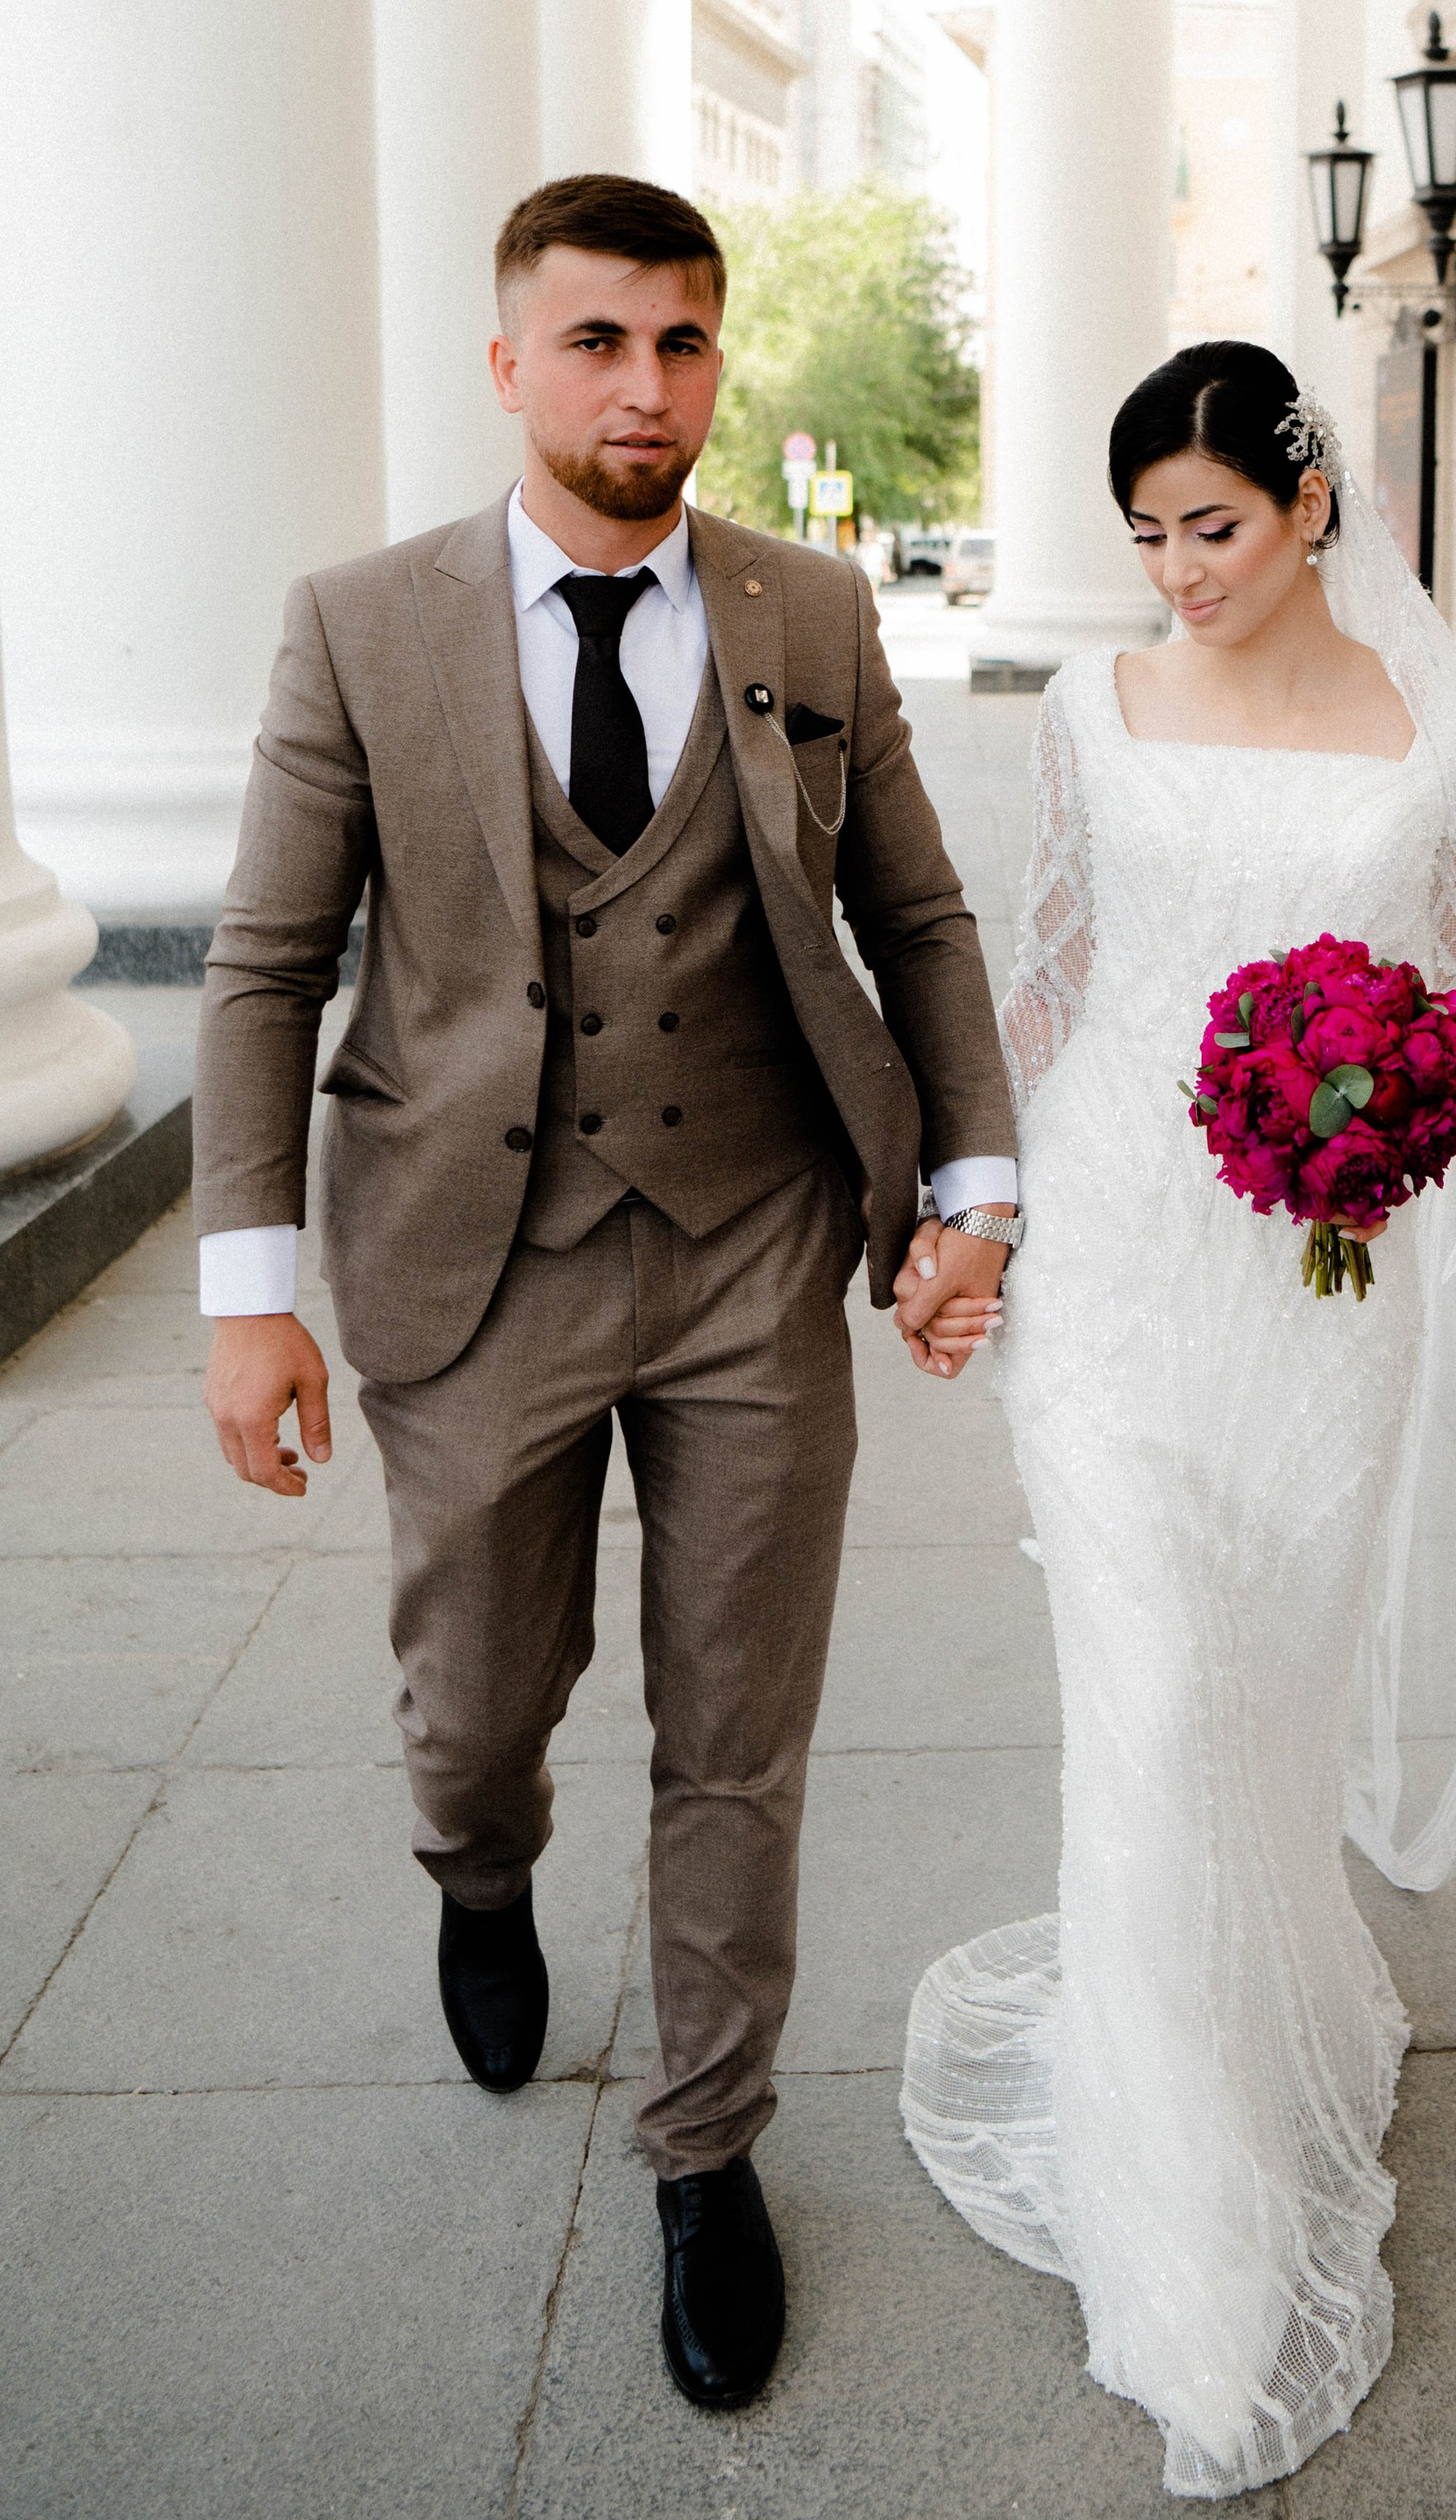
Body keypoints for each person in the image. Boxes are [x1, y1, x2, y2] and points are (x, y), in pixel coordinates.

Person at [193, 174, 1019, 2414]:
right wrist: (244, 1285)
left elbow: (923, 923)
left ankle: (705, 2147)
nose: (640, 385)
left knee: (734, 1737)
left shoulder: (809, 610)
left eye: (678, 341)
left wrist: (975, 1183)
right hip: (472, 1260)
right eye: (593, 341)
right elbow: (268, 962)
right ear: (507, 364)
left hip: (756, 1241)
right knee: (477, 1699)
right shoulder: (361, 624)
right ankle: (479, 1871)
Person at [900, 342, 1456, 2496]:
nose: (1174, 572)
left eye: (1208, 526)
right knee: (1142, 1704)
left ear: (1310, 504)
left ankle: (1273, 2006)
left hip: (1326, 1275)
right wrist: (975, 1221)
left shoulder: (1437, 726)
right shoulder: (1084, 709)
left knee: (1261, 1698)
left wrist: (1400, 1106)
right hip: (1122, 1267)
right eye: (1140, 534)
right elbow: (1045, 978)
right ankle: (1191, 2253)